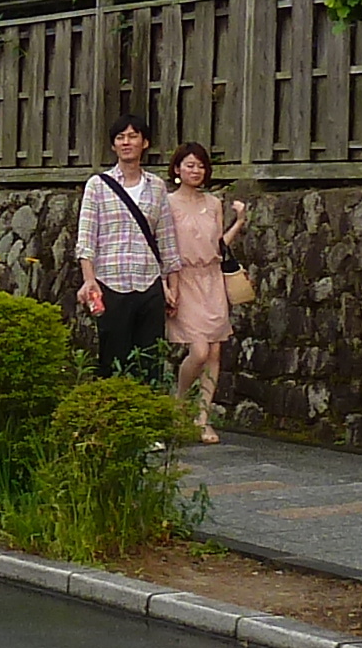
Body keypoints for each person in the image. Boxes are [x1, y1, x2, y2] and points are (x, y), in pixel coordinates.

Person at [162, 141, 247, 442]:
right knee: (198, 350)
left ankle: (202, 418)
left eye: (200, 165)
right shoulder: (167, 203)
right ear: (177, 169)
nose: (195, 170)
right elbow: (161, 245)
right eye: (189, 165)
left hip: (212, 278)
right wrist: (164, 283)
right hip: (183, 278)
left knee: (214, 350)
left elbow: (219, 247)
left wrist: (239, 222)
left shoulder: (213, 204)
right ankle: (178, 403)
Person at [73, 115, 171, 377]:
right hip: (110, 281)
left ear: (145, 143)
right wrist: (89, 279)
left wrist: (171, 284)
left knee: (150, 361)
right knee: (112, 358)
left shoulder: (157, 187)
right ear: (114, 146)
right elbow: (86, 237)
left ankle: (148, 414)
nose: (126, 142)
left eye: (133, 136)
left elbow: (166, 239)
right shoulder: (98, 185)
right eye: (120, 137)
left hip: (149, 281)